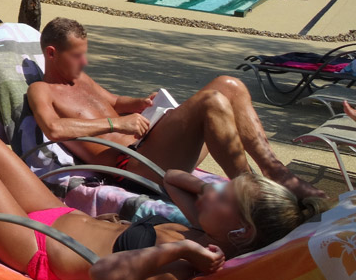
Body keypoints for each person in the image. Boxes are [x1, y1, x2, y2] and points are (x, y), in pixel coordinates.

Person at [0, 123, 325, 280]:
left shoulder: (186, 267)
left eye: (224, 196)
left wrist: (186, 251)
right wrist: (213, 206)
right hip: (57, 215)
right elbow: (176, 179)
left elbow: (111, 277)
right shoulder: (202, 231)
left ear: (240, 233)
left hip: (33, 248)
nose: (212, 190)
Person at [27, 17, 325, 199]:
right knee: (211, 102)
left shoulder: (81, 78)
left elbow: (115, 102)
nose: (85, 62)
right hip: (132, 165)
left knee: (229, 85)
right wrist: (118, 124)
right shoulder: (40, 90)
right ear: (52, 53)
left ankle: (275, 171)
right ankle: (248, 192)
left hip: (152, 146)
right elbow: (53, 128)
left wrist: (142, 103)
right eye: (78, 55)